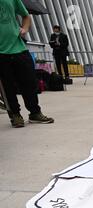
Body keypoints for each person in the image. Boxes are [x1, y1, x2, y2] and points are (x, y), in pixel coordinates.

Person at [0, 0, 54, 128]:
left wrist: (24, 28)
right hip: (1, 53)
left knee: (29, 82)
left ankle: (35, 113)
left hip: (18, 47)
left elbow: (26, 15)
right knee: (7, 87)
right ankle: (15, 115)